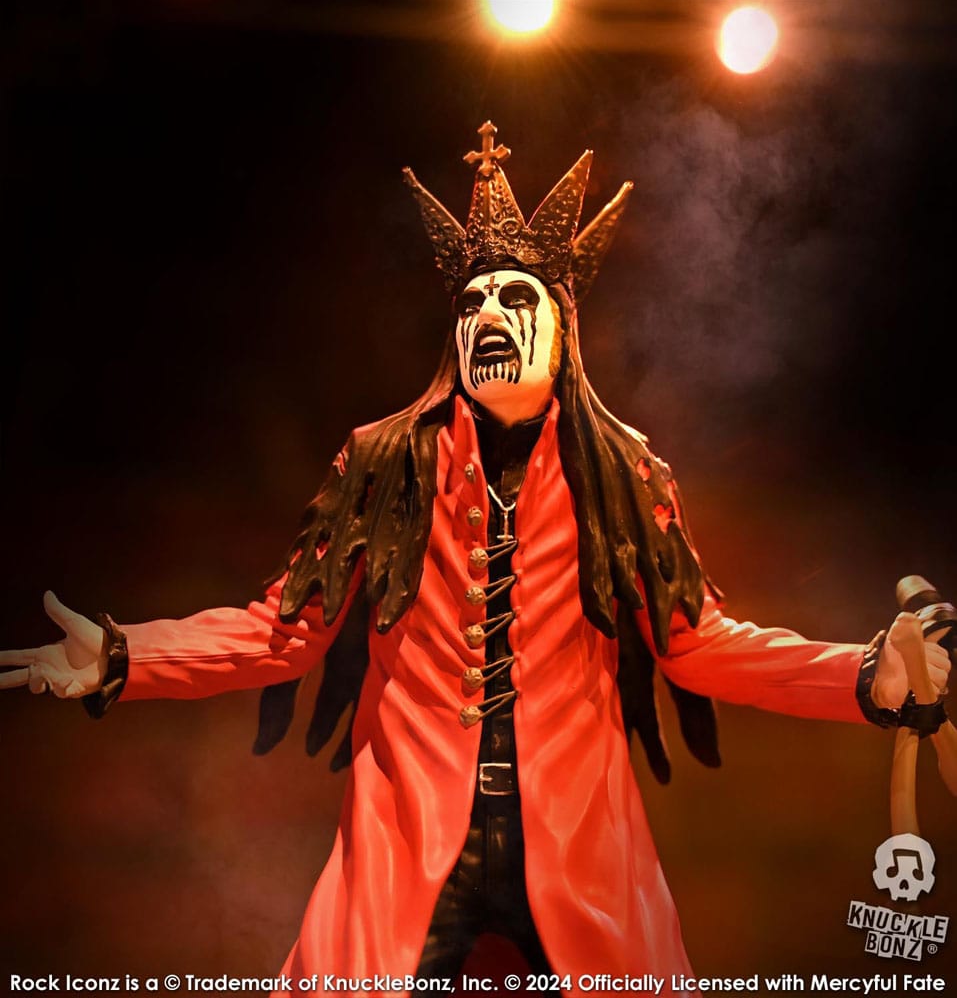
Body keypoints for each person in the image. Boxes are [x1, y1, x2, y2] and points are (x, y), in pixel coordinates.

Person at [1, 122, 951, 997]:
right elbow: (282, 633)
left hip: (576, 849)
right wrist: (123, 657)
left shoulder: (621, 472)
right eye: (472, 299)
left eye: (514, 295)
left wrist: (862, 676)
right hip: (406, 840)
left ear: (562, 327)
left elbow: (696, 643)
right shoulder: (382, 461)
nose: (488, 311)